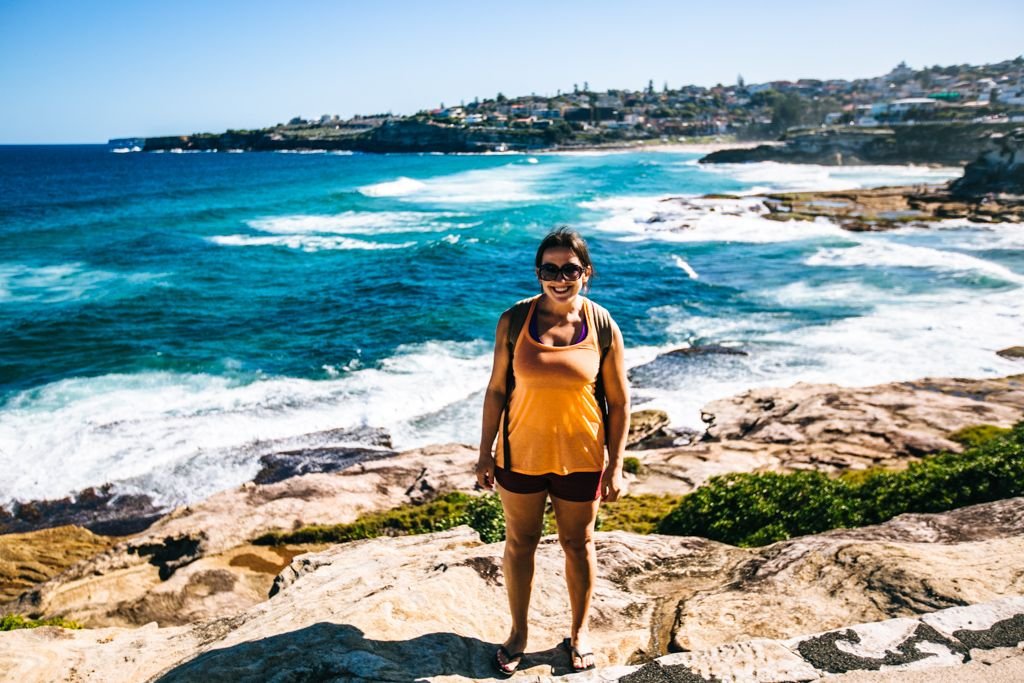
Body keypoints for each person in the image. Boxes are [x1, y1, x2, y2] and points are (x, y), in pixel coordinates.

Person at [476, 227, 630, 675]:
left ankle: (579, 633)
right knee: (519, 544)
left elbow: (619, 403)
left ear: (587, 273)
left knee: (578, 544)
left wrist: (616, 465)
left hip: (581, 458)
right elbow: (496, 390)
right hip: (518, 455)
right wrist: (484, 453)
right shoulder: (513, 321)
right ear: (538, 272)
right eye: (550, 269)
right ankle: (519, 633)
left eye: (570, 269)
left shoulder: (602, 325)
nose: (559, 278)